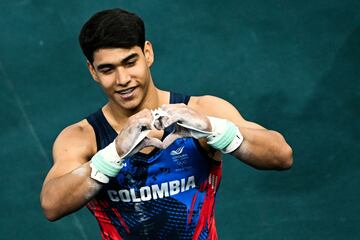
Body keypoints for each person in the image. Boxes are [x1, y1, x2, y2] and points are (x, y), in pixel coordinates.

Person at [40, 8, 293, 240]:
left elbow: (281, 155)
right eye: (107, 69)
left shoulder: (203, 111)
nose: (123, 79)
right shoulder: (84, 137)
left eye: (130, 62)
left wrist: (215, 129)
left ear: (147, 53)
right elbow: (52, 204)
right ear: (93, 71)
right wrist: (113, 154)